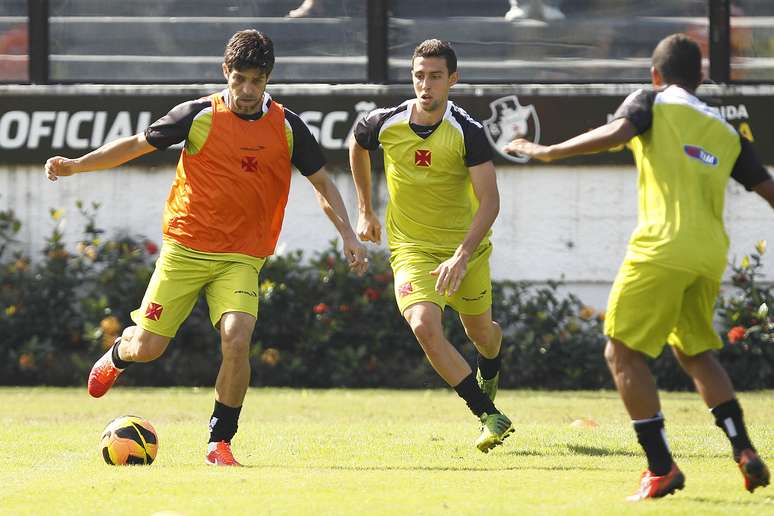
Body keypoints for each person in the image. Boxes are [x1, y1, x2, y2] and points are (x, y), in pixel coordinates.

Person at [44, 30, 368, 467]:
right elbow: (137, 145)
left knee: (237, 337)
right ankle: (121, 352)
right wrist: (77, 165)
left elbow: (323, 183)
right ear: (225, 73)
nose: (248, 90)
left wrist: (348, 233)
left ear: (269, 78)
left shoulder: (288, 127)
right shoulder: (197, 115)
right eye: (240, 79)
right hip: (186, 249)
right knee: (149, 348)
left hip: (241, 256)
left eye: (257, 80)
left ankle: (220, 442)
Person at [505, 33, 772, 500]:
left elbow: (616, 133)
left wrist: (547, 151)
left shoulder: (651, 98)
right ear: (701, 79)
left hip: (661, 248)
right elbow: (768, 189)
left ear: (655, 74)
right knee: (695, 353)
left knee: (621, 352)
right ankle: (743, 448)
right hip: (709, 256)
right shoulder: (729, 132)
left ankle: (661, 467)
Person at [350, 39, 513, 453]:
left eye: (435, 76)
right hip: (412, 249)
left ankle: (489, 368)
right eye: (419, 75)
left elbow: (490, 202)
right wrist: (365, 209)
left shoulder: (468, 132)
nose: (426, 84)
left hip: (466, 251)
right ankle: (487, 413)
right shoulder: (385, 122)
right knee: (423, 325)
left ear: (452, 80)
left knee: (483, 336)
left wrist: (461, 255)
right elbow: (357, 143)